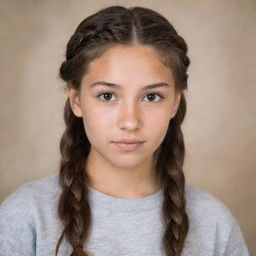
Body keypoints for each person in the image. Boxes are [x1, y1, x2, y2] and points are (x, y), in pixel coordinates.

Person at [0, 5, 250, 256]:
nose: (130, 122)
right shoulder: (26, 216)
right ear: (75, 99)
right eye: (107, 95)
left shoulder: (214, 223)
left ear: (175, 101)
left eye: (151, 97)